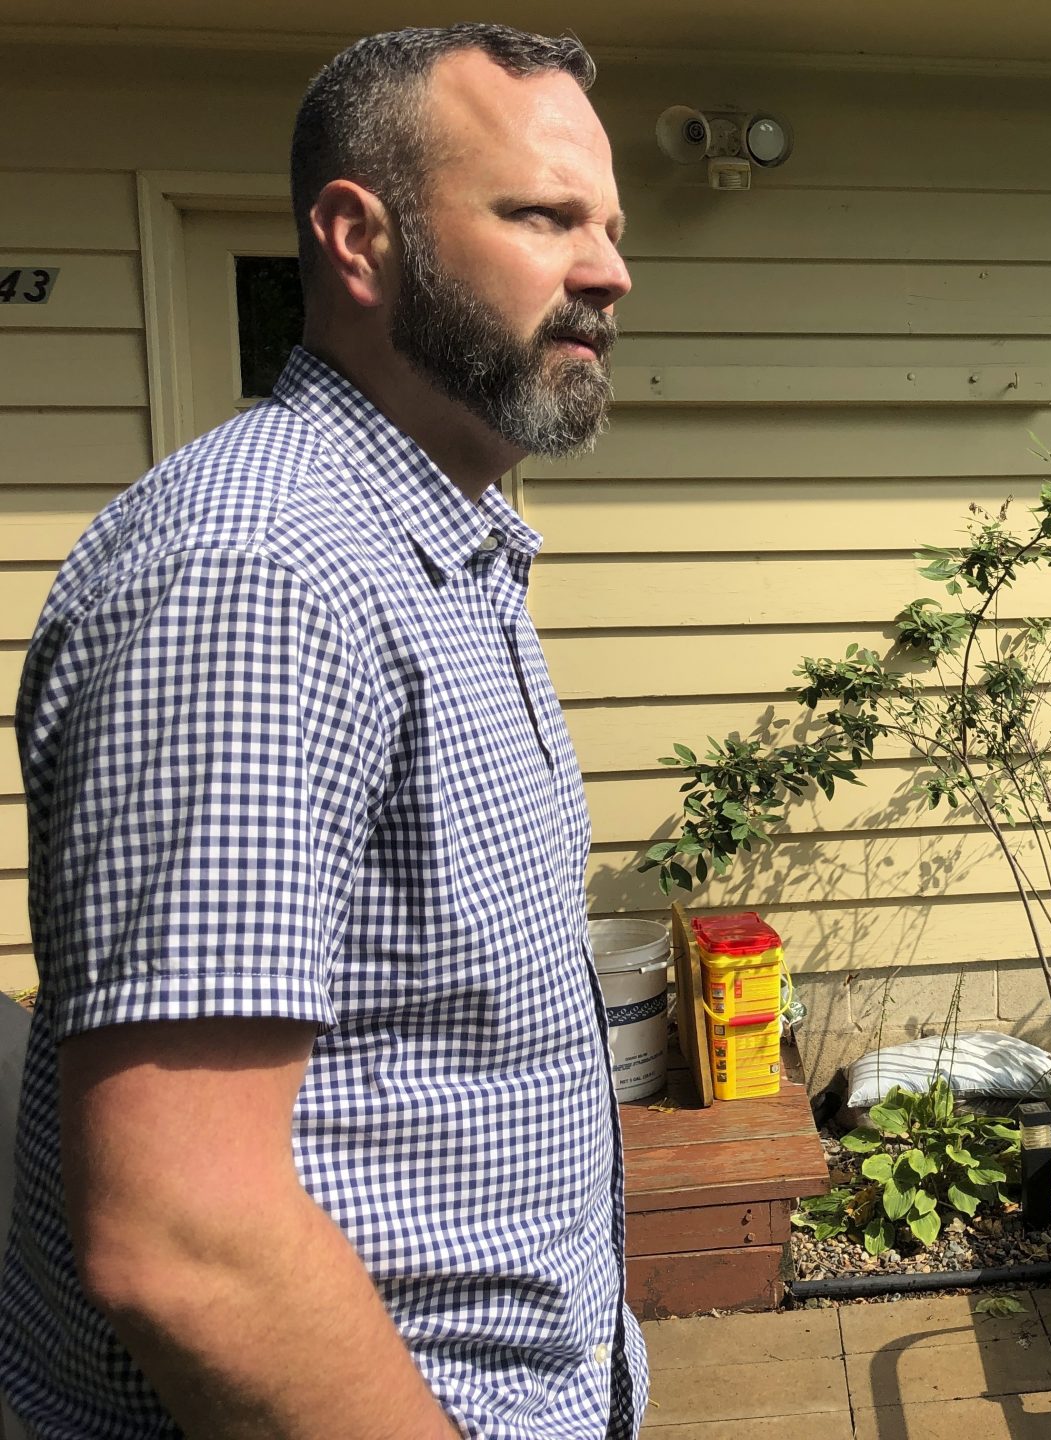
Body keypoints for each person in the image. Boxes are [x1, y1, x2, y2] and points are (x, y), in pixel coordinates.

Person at [0, 25, 641, 1439]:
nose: (609, 272)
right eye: (543, 217)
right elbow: (187, 1241)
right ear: (360, 239)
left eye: (606, 226)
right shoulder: (261, 571)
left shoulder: (446, 545)